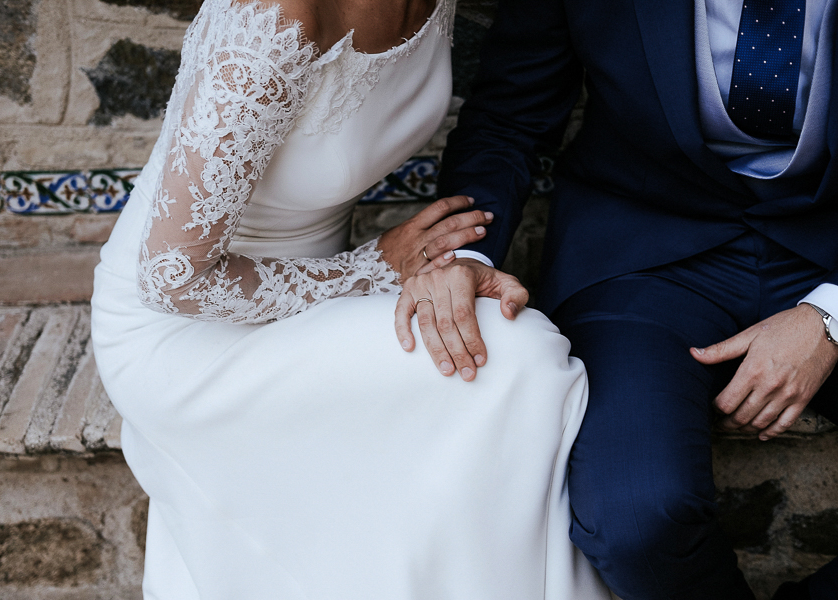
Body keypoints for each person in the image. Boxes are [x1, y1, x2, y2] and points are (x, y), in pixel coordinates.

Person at [91, 0, 613, 597]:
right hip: (185, 330)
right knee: (519, 355)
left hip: (310, 301)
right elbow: (173, 276)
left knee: (498, 363)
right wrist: (373, 269)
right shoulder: (277, 18)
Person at [406, 0, 838, 598]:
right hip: (647, 251)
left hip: (831, 248)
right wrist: (467, 255)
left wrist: (831, 313)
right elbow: (510, 118)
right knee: (634, 515)